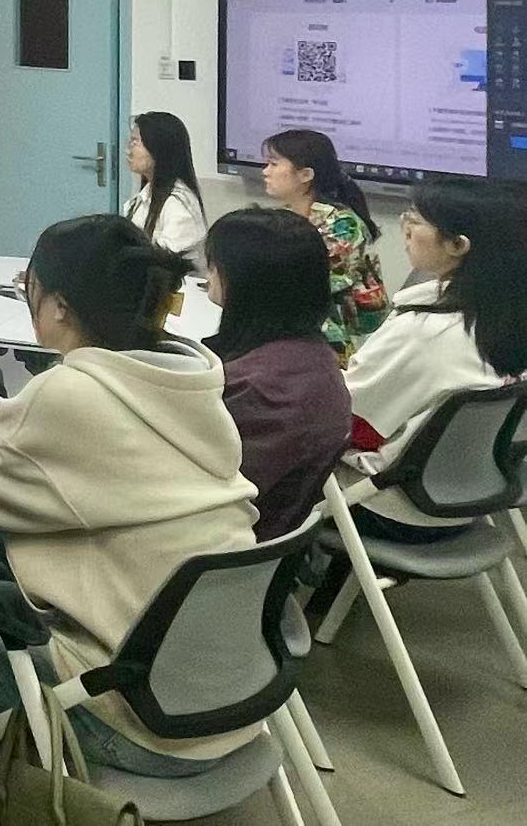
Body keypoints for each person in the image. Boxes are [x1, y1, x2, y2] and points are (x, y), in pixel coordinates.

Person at [0, 215, 259, 777]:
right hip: (232, 697)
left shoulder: (71, 394)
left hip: (135, 721)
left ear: (59, 307)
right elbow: (5, 455)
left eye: (31, 290)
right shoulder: (185, 383)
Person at [340, 177, 527, 538]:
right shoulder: (504, 318)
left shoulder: (424, 331)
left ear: (458, 245)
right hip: (470, 503)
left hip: (389, 508)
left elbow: (348, 425)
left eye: (415, 220)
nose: (405, 229)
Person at [201, 208, 353, 540]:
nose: (208, 273)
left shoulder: (258, 390)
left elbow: (194, 487)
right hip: (260, 532)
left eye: (214, 265)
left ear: (247, 282)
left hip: (221, 542)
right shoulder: (312, 357)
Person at [260, 129, 388, 360]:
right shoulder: (286, 217)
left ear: (306, 174)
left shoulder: (343, 226)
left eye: (273, 164)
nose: (265, 171)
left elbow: (308, 285)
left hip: (342, 340)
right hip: (300, 328)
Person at [122, 112, 207, 267]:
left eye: (135, 142)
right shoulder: (142, 198)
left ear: (159, 148)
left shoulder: (180, 203)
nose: (128, 151)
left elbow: (164, 261)